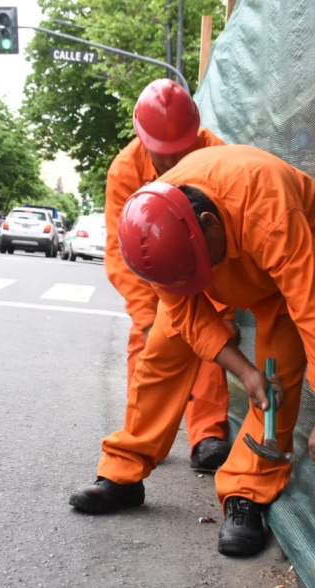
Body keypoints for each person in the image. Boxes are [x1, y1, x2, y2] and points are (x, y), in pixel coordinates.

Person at [70, 144, 315, 558]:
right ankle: (123, 473)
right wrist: (244, 372)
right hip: (220, 255)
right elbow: (189, 315)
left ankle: (247, 491)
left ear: (206, 224)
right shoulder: (154, 229)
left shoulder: (270, 212)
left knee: (281, 373)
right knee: (160, 356)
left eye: (194, 272)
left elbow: (313, 305)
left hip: (291, 256)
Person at [102, 78, 233, 471]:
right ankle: (140, 437)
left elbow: (229, 232)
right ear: (142, 138)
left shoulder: (216, 154)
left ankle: (208, 435)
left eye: (181, 150)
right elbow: (120, 251)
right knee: (145, 345)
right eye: (162, 154)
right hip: (155, 277)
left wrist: (223, 308)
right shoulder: (124, 171)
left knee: (212, 339)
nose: (173, 163)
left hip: (208, 272)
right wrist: (146, 316)